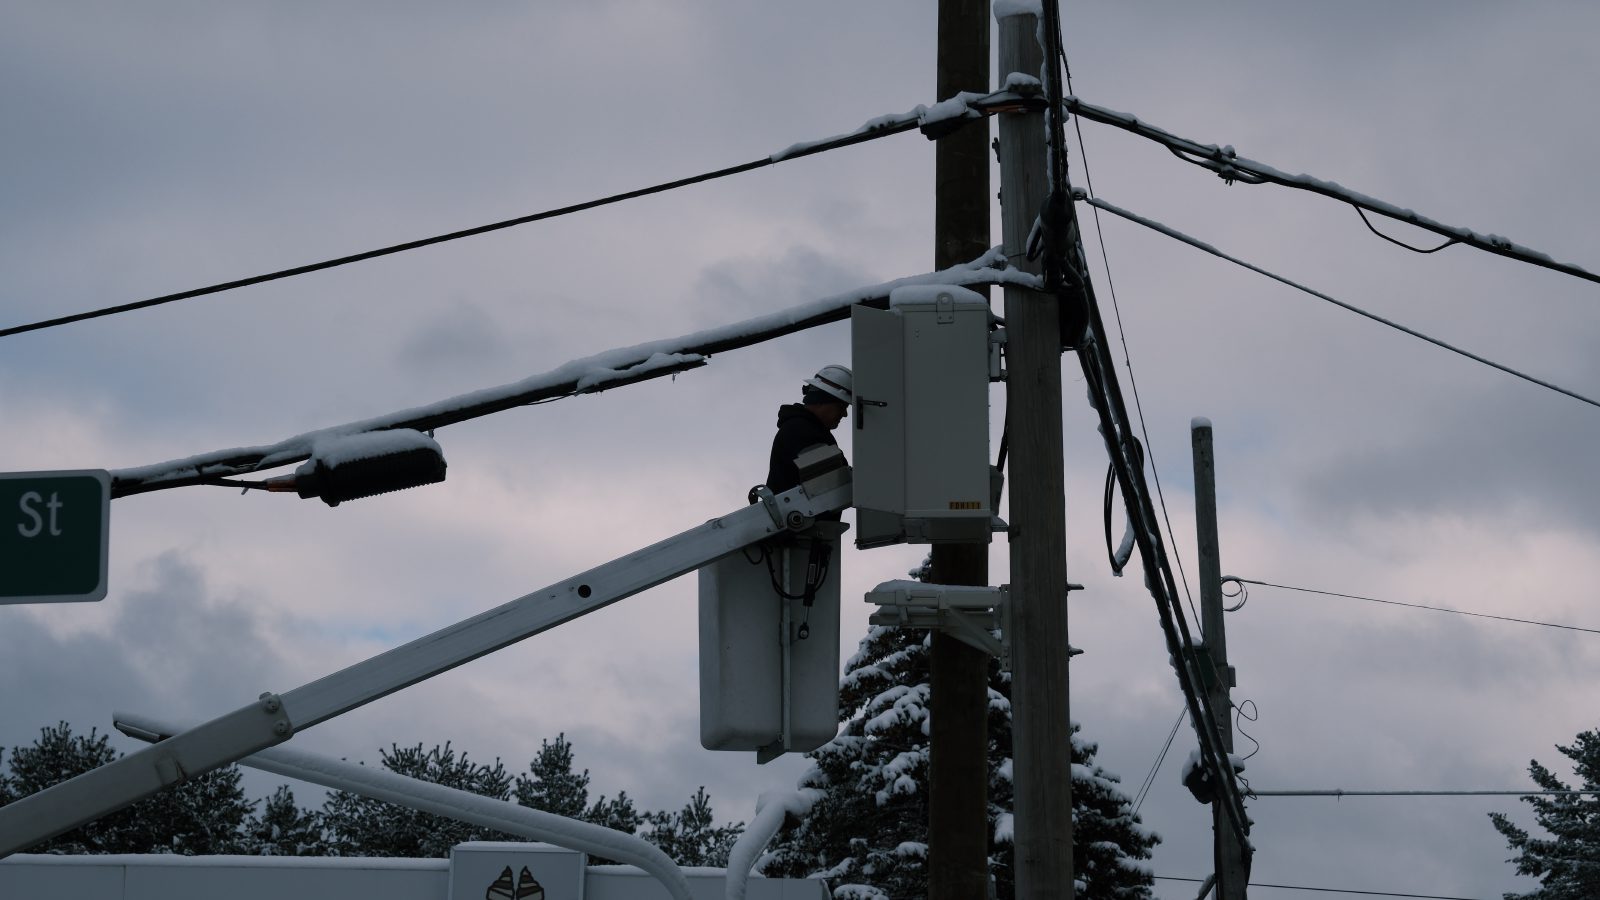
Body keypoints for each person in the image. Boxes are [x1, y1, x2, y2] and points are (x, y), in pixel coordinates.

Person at [766, 364, 852, 495]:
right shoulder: (802, 430)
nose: (845, 414)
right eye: (842, 407)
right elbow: (836, 483)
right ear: (822, 400)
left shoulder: (807, 428)